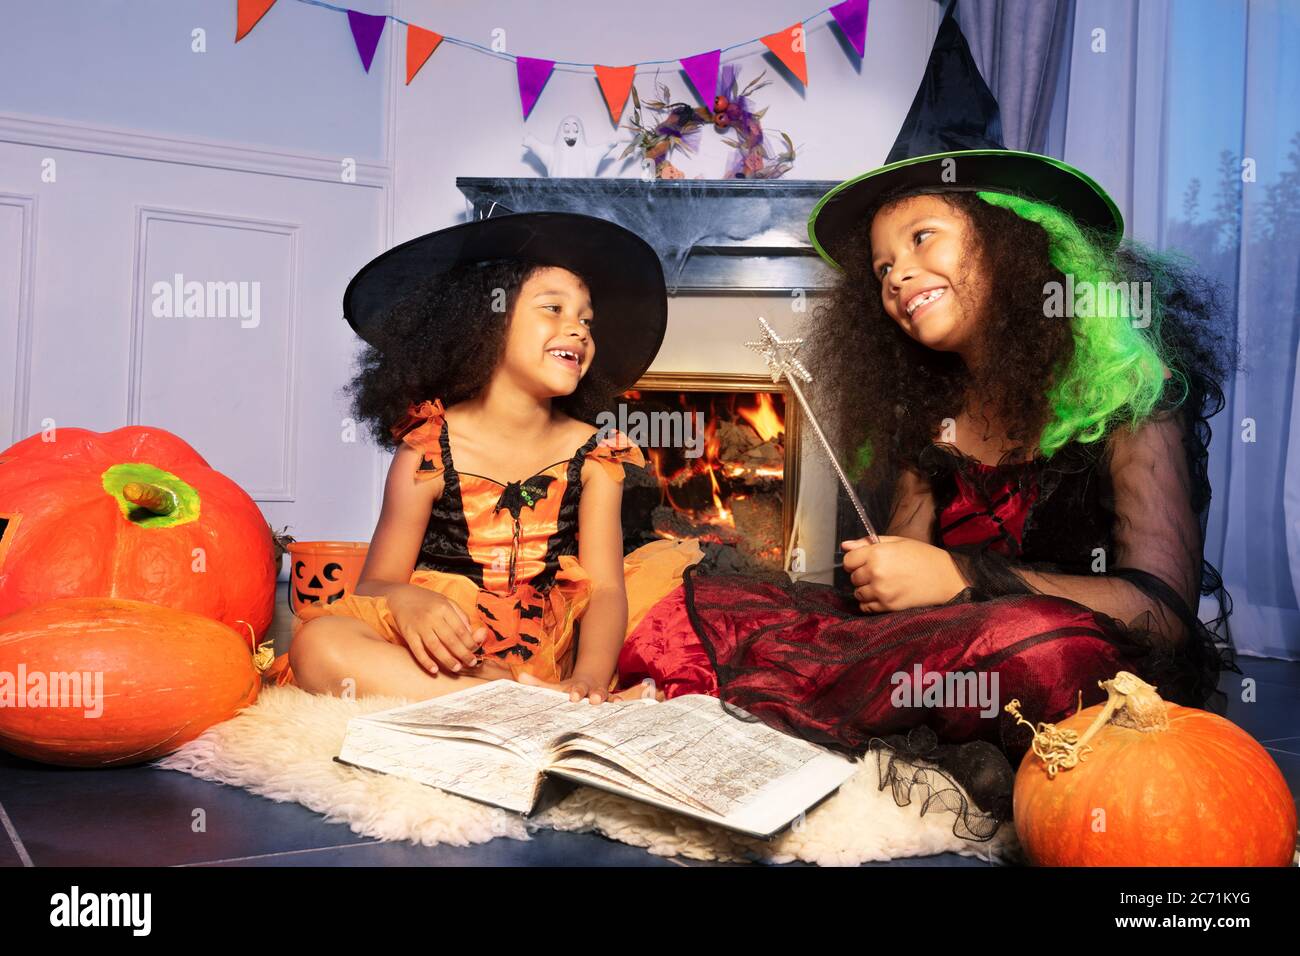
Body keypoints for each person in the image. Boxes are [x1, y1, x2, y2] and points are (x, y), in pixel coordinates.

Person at [615, 4, 1241, 841]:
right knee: (711, 599)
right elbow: (900, 612)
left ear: (1012, 239)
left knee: (1046, 648)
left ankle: (837, 715)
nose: (899, 277)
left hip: (1064, 654)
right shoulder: (926, 410)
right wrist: (890, 577)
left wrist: (963, 580)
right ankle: (920, 734)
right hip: (935, 661)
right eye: (882, 268)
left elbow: (1161, 613)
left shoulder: (1135, 391)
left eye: (922, 238)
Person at [263, 211, 700, 705]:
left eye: (585, 319)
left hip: (544, 652)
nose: (577, 329)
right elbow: (376, 582)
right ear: (486, 322)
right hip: (443, 650)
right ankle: (513, 700)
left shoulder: (596, 455)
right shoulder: (427, 449)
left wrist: (591, 681)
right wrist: (408, 601)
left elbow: (604, 592)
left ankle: (547, 701)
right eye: (553, 309)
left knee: (683, 637)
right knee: (319, 646)